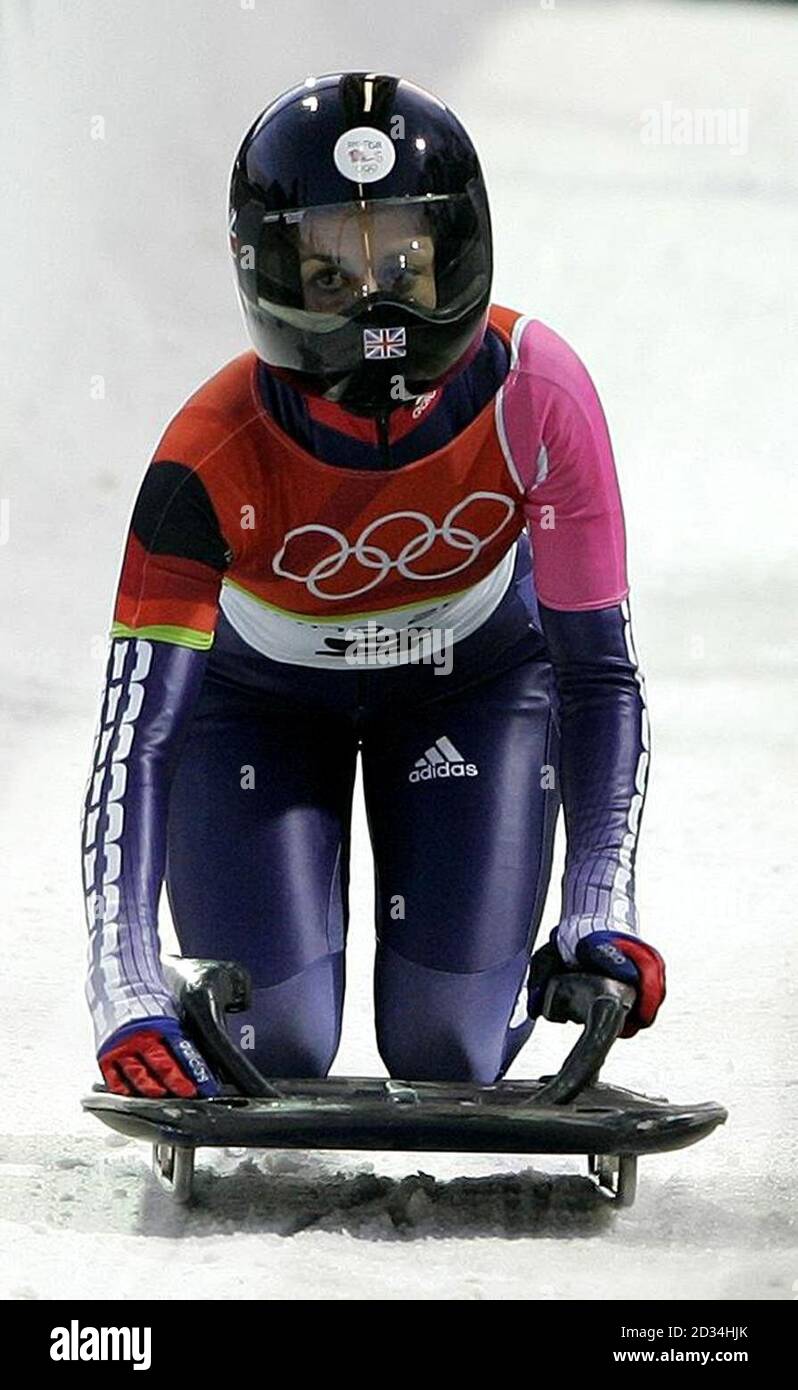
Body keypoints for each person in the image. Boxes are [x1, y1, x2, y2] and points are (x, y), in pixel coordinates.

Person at [82, 73, 665, 1099]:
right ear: (270, 273)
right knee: (280, 1048)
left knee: (449, 1051)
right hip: (258, 711)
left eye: (402, 262)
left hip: (471, 689)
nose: (379, 305)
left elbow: (600, 675)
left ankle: (495, 984)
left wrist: (598, 905)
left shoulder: (543, 394)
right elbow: (138, 740)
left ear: (458, 255)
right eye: (332, 274)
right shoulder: (205, 455)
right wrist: (122, 986)